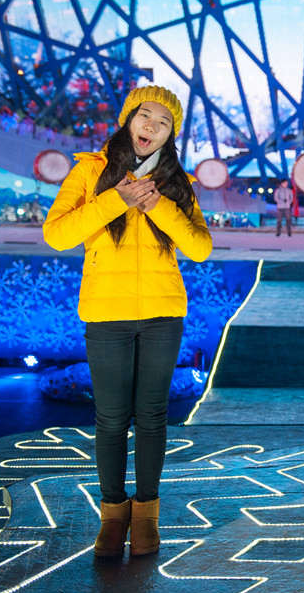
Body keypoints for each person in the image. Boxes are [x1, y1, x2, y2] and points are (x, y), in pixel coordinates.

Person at [43, 85, 212, 558]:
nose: (151, 127)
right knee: (112, 420)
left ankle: (147, 518)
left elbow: (200, 247)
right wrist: (116, 199)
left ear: (170, 133)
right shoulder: (91, 171)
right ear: (128, 120)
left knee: (153, 419)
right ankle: (113, 517)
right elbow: (57, 234)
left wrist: (159, 205)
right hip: (107, 314)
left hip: (162, 314)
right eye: (145, 116)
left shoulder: (178, 182)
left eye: (163, 121)